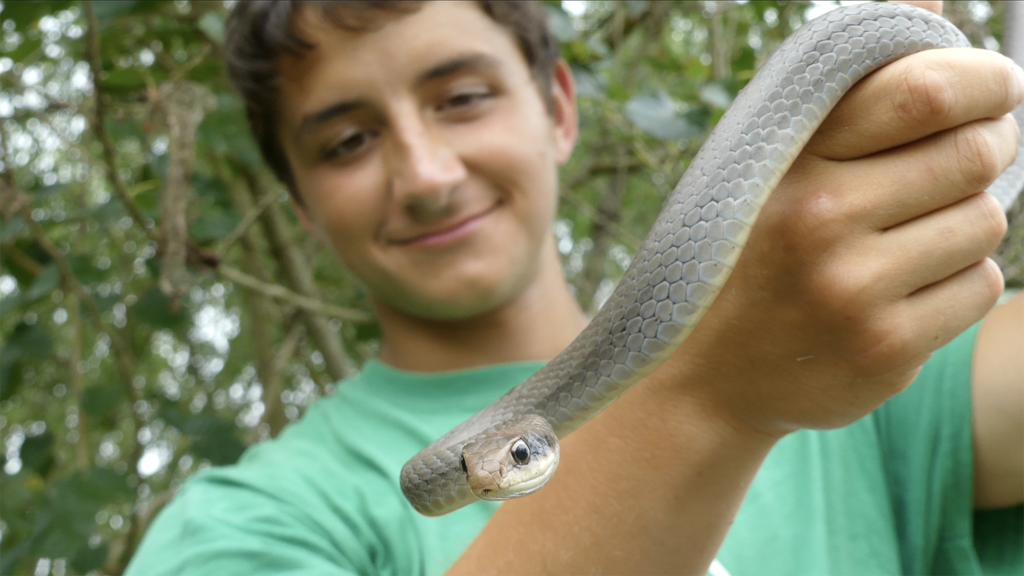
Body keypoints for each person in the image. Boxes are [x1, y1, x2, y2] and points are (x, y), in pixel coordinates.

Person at [127, 1, 1024, 574]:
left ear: (560, 108)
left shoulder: (861, 347)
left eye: (462, 97)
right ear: (303, 208)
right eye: (347, 143)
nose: (428, 173)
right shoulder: (253, 524)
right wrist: (714, 392)